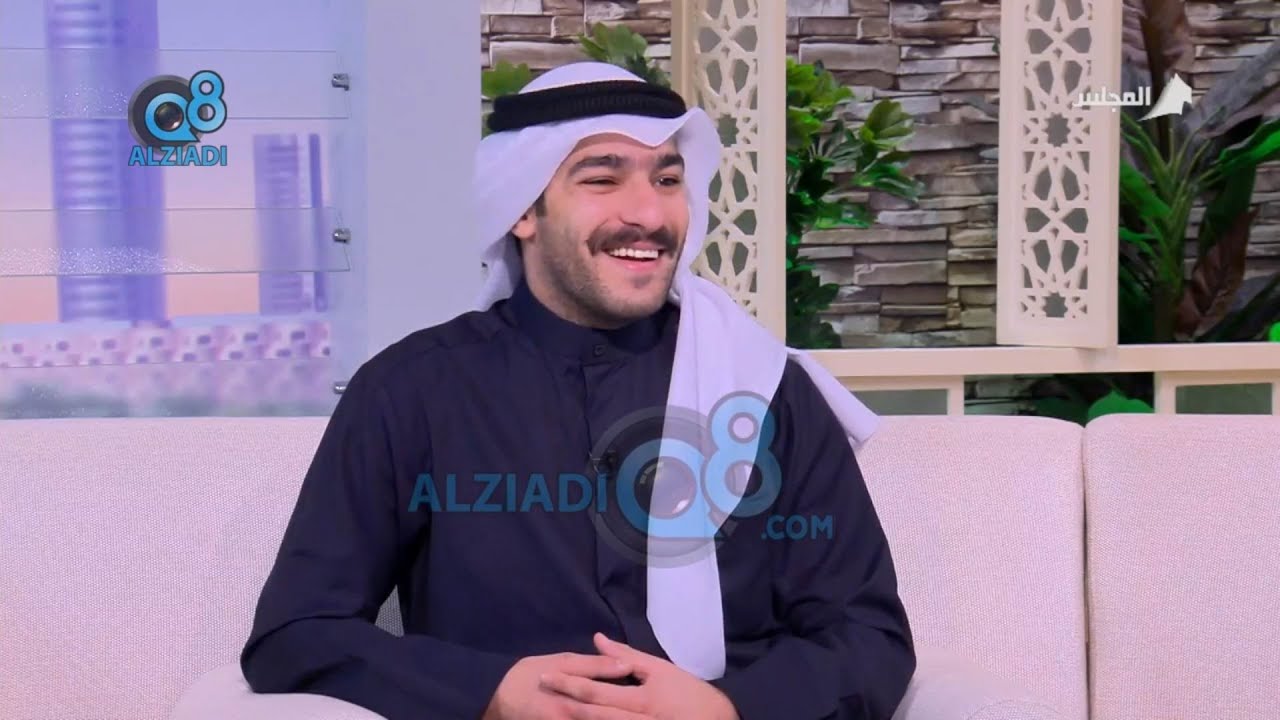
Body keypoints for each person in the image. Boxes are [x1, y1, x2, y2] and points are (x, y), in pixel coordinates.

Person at [241, 61, 915, 720]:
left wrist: (727, 707)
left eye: (668, 180)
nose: (648, 213)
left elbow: (869, 637)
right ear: (521, 210)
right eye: (602, 180)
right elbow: (296, 634)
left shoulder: (763, 387)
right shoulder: (410, 391)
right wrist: (491, 692)